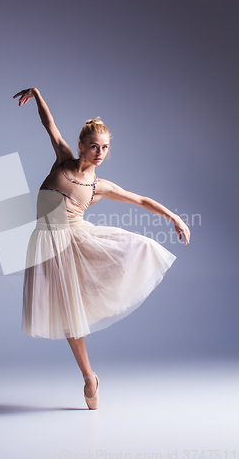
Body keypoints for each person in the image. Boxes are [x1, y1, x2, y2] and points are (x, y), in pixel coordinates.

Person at [13, 88, 190, 410]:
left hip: (75, 241)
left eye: (105, 148)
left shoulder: (99, 187)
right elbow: (48, 124)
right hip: (46, 244)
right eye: (94, 146)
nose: (99, 152)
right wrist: (37, 95)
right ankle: (90, 377)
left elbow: (140, 200)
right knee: (67, 316)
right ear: (81, 146)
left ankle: (89, 378)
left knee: (74, 312)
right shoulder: (63, 160)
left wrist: (173, 216)